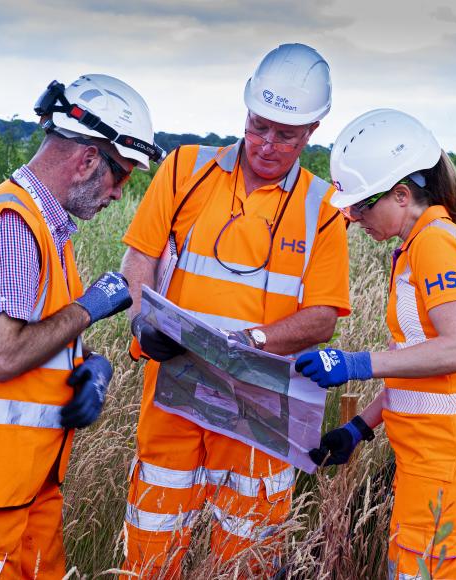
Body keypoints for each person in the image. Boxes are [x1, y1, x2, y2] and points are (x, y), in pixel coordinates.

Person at [121, 43, 350, 576]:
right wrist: (140, 321)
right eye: (257, 125)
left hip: (260, 406)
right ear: (246, 111)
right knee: (152, 545)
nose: (266, 144)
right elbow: (139, 261)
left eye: (285, 135)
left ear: (312, 130)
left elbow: (323, 317)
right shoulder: (184, 169)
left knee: (248, 556)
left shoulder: (323, 209)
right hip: (173, 392)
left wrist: (248, 345)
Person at [0, 74, 164, 578]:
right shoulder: (9, 225)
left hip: (26, 490)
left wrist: (88, 364)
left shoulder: (49, 227)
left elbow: (42, 339)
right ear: (88, 160)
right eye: (122, 176)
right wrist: (90, 306)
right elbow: (4, 355)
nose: (120, 194)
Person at [295, 109, 456, 579]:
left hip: (449, 462)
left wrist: (354, 363)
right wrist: (360, 428)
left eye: (361, 206)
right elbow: (419, 365)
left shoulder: (435, 245)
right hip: (428, 457)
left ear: (402, 195)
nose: (353, 218)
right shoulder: (414, 247)